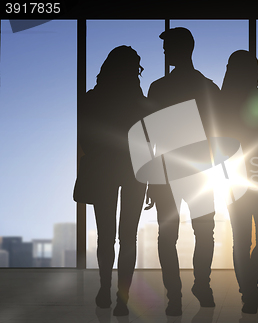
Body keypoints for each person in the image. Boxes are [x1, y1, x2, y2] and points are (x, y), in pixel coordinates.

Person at [146, 27, 220, 316]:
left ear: (182, 49)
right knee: (204, 232)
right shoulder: (208, 87)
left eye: (168, 46)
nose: (164, 51)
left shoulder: (158, 88)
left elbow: (151, 137)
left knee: (168, 236)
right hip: (199, 170)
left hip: (169, 171)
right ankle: (201, 285)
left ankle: (174, 296)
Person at [78, 46, 148, 316]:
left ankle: (104, 290)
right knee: (128, 237)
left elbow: (85, 138)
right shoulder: (140, 101)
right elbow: (147, 142)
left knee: (105, 236)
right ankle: (123, 298)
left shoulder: (91, 98)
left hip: (103, 170)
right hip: (134, 172)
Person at [218, 50, 258, 314]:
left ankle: (248, 288)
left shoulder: (223, 104)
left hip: (244, 174)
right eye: (255, 67)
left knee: (249, 238)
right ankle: (249, 291)